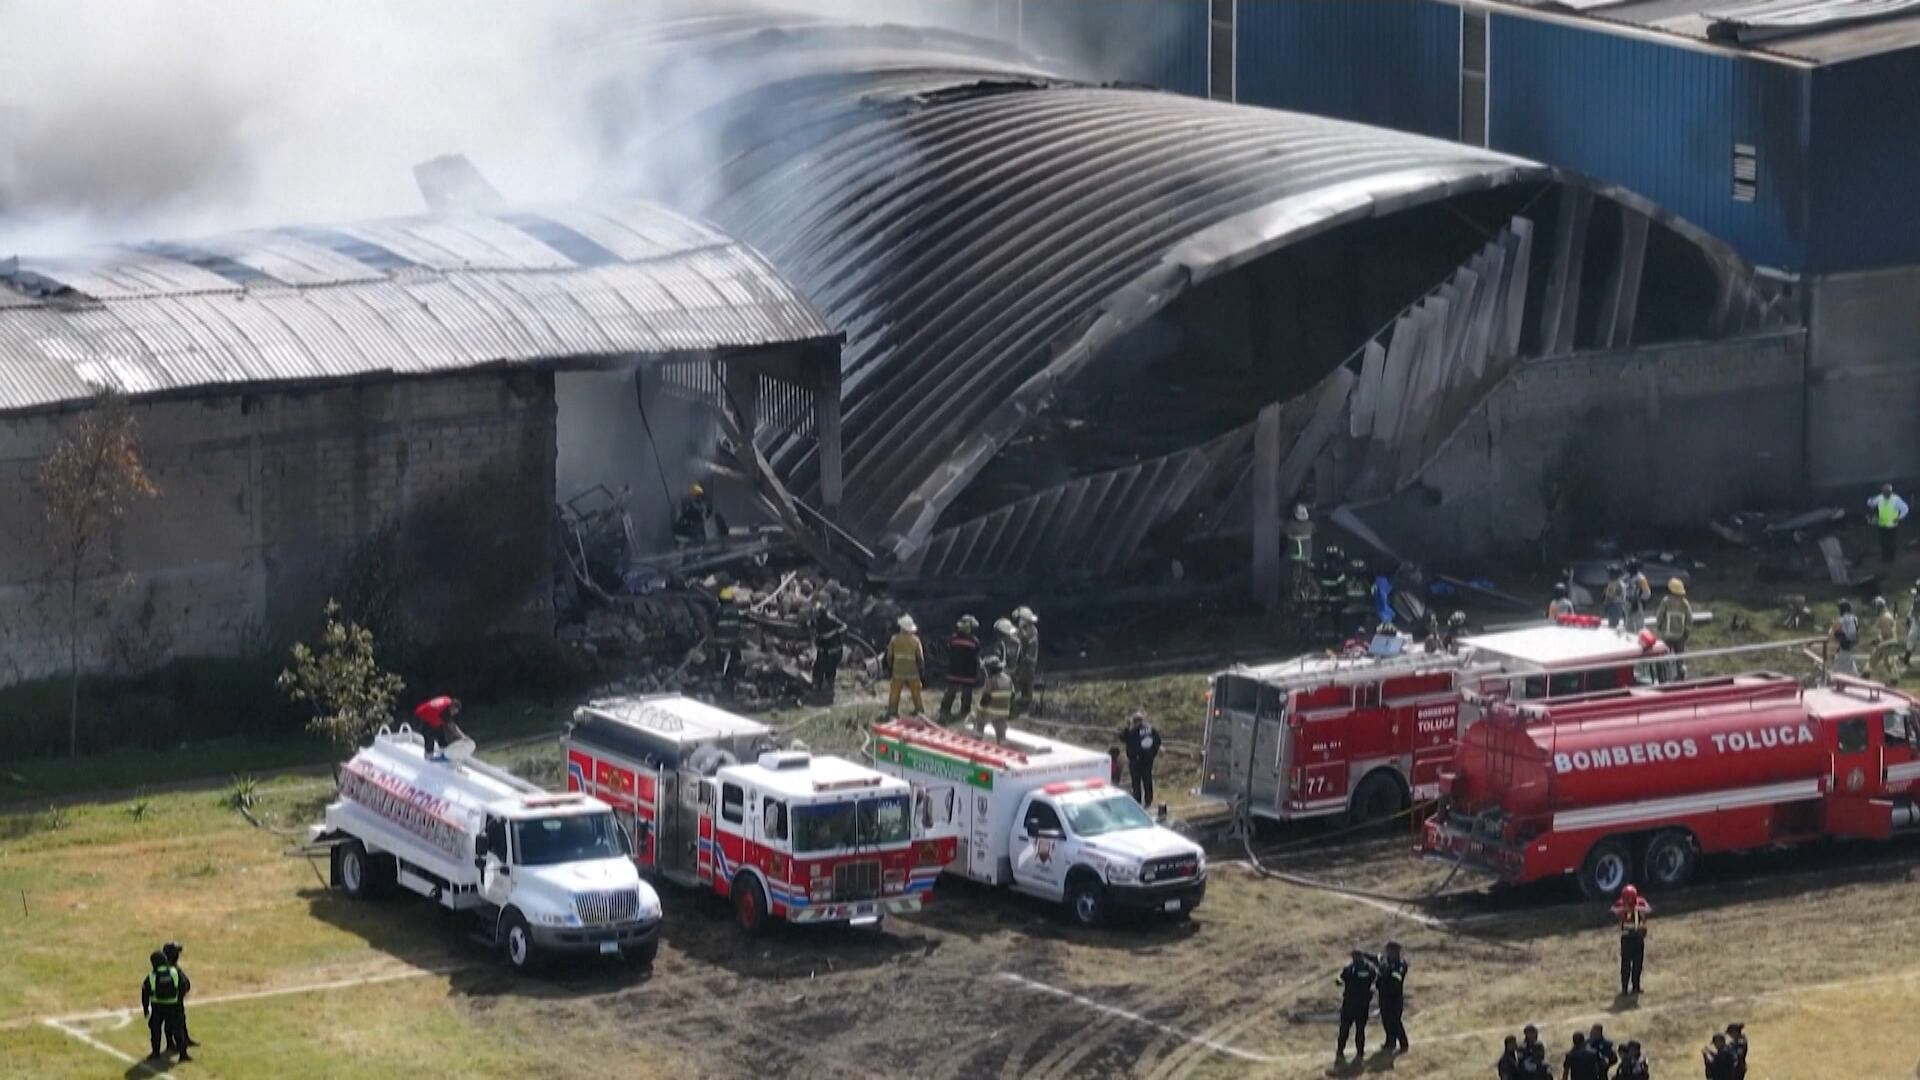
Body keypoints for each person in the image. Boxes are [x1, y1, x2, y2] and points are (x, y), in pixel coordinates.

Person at [140, 949, 190, 1063]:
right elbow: (184, 985)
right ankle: (183, 1054)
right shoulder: (174, 972)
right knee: (178, 1030)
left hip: (157, 1007)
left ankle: (155, 1053)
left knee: (155, 1031)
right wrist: (178, 999)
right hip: (173, 1006)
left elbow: (145, 994)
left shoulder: (151, 976)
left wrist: (146, 1009)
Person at [938, 616, 984, 723]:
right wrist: (979, 672)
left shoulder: (953, 639)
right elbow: (977, 658)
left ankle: (944, 710)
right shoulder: (974, 641)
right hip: (968, 673)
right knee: (967, 693)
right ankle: (965, 711)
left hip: (953, 671)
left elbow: (948, 653)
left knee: (950, 692)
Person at [1334, 949, 1376, 1062]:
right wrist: (1339, 980)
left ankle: (1360, 1052)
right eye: (1354, 956)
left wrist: (1372, 989)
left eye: (1357, 956)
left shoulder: (1369, 969)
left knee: (1359, 1030)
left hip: (1362, 1004)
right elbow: (1340, 978)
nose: (1355, 959)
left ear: (1362, 956)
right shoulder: (1349, 969)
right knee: (1344, 1029)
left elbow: (1375, 980)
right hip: (1349, 1003)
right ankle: (1340, 1051)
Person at [1610, 883, 1651, 996]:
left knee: (1638, 964)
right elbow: (1612, 911)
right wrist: (1622, 910)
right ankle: (1624, 988)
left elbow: (1649, 909)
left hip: (1638, 937)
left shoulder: (1641, 902)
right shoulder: (1619, 904)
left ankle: (1636, 987)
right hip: (1626, 938)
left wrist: (1637, 909)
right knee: (1626, 964)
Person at [886, 615, 926, 715]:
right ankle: (919, 710)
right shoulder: (916, 640)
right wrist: (921, 668)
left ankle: (892, 711)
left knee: (895, 692)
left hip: (898, 670)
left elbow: (889, 655)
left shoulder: (894, 639)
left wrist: (890, 666)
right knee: (916, 692)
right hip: (912, 671)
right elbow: (920, 657)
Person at [808, 603, 847, 704]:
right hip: (822, 649)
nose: (814, 614)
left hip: (833, 650)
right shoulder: (815, 620)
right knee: (818, 668)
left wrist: (832, 633)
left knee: (830, 669)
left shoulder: (831, 619)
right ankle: (816, 686)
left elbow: (844, 627)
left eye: (816, 613)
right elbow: (810, 626)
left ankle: (828, 689)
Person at [162, 940, 198, 1050]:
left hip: (177, 998)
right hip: (172, 999)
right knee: (171, 1021)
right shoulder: (168, 969)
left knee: (181, 1019)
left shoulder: (173, 967)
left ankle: (184, 1039)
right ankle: (171, 1043)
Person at [1120, 712, 1161, 809]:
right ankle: (1147, 800)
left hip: (1136, 760)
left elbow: (1123, 738)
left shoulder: (1134, 731)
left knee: (1137, 782)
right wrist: (1152, 754)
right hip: (1145, 760)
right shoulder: (1150, 729)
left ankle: (1139, 801)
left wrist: (1127, 727)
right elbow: (1158, 741)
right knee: (1146, 780)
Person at [1375, 941, 1409, 1054]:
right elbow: (1377, 961)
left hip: (1394, 997)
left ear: (1395, 951)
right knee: (1386, 1020)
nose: (1388, 952)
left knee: (1395, 1021)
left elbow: (1396, 979)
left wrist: (1386, 979)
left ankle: (1403, 1043)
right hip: (1384, 996)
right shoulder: (1385, 962)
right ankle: (1390, 1042)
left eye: (1390, 950)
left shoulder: (1400, 964)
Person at [1655, 579, 1693, 678]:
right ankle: (1681, 674)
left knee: (1664, 656)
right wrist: (1686, 632)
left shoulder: (1666, 601)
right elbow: (1689, 618)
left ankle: (1665, 675)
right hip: (1680, 636)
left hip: (1667, 635)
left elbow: (1660, 615)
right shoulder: (1684, 603)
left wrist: (1658, 625)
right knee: (1680, 657)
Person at [413, 695, 467, 761]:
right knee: (429, 738)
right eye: (454, 711)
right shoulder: (444, 712)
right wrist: (463, 737)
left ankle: (445, 754)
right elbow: (453, 727)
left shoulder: (447, 700)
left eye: (455, 712)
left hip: (431, 716)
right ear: (451, 707)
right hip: (421, 717)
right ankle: (428, 757)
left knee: (442, 735)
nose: (453, 714)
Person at [712, 588, 745, 691]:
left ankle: (719, 680)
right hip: (734, 639)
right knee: (735, 658)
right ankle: (736, 677)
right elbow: (739, 625)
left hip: (721, 640)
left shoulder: (718, 611)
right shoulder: (736, 610)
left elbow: (712, 623)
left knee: (720, 660)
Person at [1011, 607, 1041, 717]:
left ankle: (1027, 709)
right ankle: (1019, 708)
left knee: (1027, 685)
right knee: (1019, 683)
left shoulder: (1032, 631)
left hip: (1029, 662)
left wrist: (1026, 658)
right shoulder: (1020, 630)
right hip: (1021, 662)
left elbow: (1031, 647)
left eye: (1021, 619)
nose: (1019, 621)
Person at [1868, 483, 1908, 563]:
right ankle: (1885, 558)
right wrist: (1870, 499)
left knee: (1891, 542)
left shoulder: (1896, 499)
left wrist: (1899, 518)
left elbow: (1905, 509)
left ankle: (1891, 558)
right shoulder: (1879, 498)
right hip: (1882, 524)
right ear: (1882, 491)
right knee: (1883, 542)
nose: (1886, 493)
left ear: (1890, 491)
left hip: (1891, 524)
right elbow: (1871, 504)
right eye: (1884, 491)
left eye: (1887, 491)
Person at [975, 657, 1013, 741]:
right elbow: (1012, 694)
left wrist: (979, 710)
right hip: (1004, 711)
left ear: (990, 669)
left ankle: (978, 738)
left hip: (992, 711)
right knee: (1000, 730)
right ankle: (1001, 741)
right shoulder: (1008, 678)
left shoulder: (991, 680)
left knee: (980, 719)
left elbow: (986, 698)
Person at [1870, 596, 1903, 681]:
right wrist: (1878, 639)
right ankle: (1890, 677)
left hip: (1887, 641)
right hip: (1887, 641)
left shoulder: (1884, 617)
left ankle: (1893, 677)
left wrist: (1878, 640)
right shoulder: (1885, 615)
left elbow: (1887, 632)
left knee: (1883, 660)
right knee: (1878, 660)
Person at [1829, 599, 1861, 677]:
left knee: (1838, 667)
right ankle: (1855, 675)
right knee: (1848, 661)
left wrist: (1835, 634)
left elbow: (1830, 632)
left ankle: (1837, 678)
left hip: (1845, 644)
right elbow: (1856, 631)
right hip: (1851, 644)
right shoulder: (1854, 618)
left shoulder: (1841, 619)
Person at [1626, 559, 1653, 629]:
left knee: (1639, 624)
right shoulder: (1626, 577)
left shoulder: (1641, 578)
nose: (1627, 568)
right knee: (1627, 623)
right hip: (1627, 603)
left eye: (1629, 566)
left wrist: (1638, 600)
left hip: (1637, 604)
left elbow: (1647, 592)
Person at [1602, 564, 1627, 630]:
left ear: (1614, 574)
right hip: (1620, 605)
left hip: (1614, 606)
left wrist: (1605, 606)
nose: (1609, 575)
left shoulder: (1613, 583)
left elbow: (1609, 597)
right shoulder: (1621, 583)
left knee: (1612, 626)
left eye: (1610, 573)